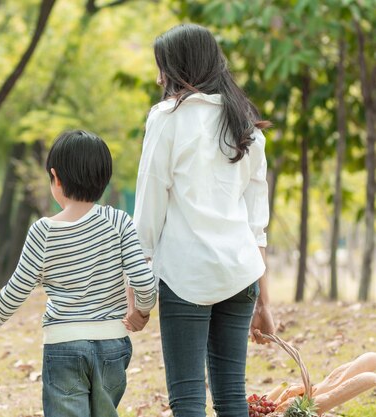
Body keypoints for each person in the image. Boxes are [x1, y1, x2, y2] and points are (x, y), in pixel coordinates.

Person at [133, 24, 276, 417]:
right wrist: (265, 301)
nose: (159, 77)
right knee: (232, 395)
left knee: (188, 398)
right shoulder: (245, 127)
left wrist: (135, 289)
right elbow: (255, 225)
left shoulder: (166, 119)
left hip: (185, 275)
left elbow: (149, 204)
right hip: (240, 273)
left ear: (179, 68)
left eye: (162, 67)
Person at [0, 130, 157, 417]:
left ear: (55, 177)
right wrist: (141, 310)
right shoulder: (119, 221)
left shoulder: (43, 232)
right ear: (104, 178)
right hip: (113, 343)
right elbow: (143, 280)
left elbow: (16, 291)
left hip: (64, 345)